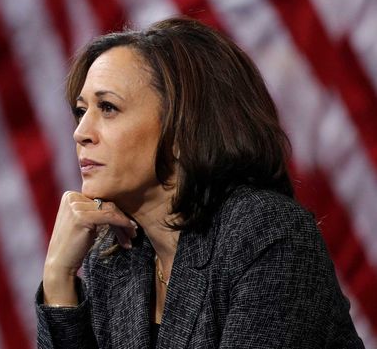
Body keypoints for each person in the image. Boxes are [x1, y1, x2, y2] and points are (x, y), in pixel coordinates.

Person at [35, 17, 364, 348]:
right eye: (81, 111)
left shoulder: (264, 235)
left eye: (108, 108)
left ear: (182, 128)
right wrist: (59, 280)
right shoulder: (115, 261)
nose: (80, 133)